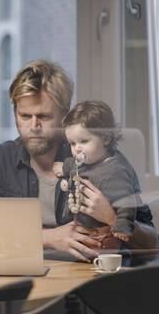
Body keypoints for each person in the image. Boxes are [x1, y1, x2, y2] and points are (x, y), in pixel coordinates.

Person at [0, 59, 158, 262]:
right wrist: (48, 238)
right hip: (20, 278)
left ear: (64, 116)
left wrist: (113, 218)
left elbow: (152, 245)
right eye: (25, 116)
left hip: (87, 281)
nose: (34, 126)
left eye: (43, 116)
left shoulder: (104, 160)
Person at [52, 101, 140, 242]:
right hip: (80, 230)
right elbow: (75, 164)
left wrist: (121, 226)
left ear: (105, 138)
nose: (77, 149)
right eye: (72, 143)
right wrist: (64, 167)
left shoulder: (115, 171)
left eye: (84, 141)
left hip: (104, 235)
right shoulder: (89, 159)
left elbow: (127, 202)